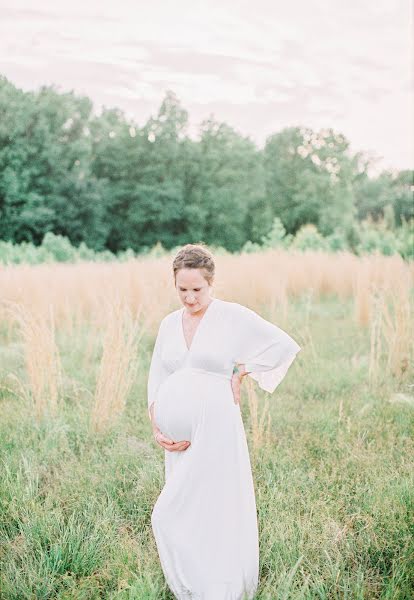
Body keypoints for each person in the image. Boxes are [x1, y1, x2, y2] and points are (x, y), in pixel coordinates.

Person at [147, 243, 301, 600]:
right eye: (182, 289)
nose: (189, 298)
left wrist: (244, 369)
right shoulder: (168, 325)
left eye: (196, 289)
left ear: (211, 283)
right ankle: (190, 575)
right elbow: (156, 376)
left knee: (216, 501)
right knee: (179, 507)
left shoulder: (232, 316)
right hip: (179, 441)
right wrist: (157, 425)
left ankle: (222, 582)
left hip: (216, 428)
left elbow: (282, 345)